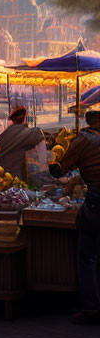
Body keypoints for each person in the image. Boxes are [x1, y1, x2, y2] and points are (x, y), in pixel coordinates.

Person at [49, 108, 100, 325]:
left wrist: (54, 158)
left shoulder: (84, 139)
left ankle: (91, 308)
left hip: (97, 205)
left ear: (88, 122)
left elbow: (59, 171)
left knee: (87, 256)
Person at [0, 105, 44, 180]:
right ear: (24, 118)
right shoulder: (26, 133)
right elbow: (38, 135)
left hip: (2, 174)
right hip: (16, 175)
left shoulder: (5, 133)